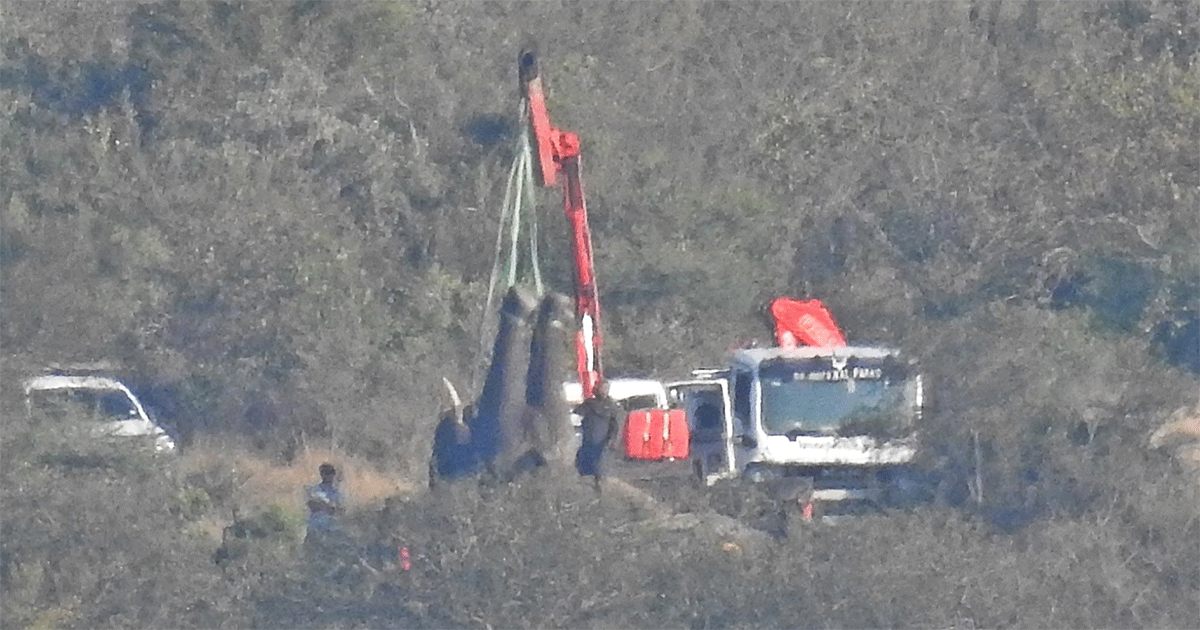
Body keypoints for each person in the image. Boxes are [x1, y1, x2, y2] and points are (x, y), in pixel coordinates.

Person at [573, 379, 621, 493]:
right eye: (601, 388)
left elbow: (616, 426)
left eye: (605, 388)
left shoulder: (612, 406)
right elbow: (576, 416)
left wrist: (613, 440)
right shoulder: (589, 404)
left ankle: (599, 486)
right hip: (587, 440)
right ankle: (583, 485)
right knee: (583, 464)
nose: (603, 391)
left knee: (599, 466)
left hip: (602, 441)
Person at [304, 463, 346, 554]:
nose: (329, 475)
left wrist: (324, 506)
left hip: (329, 531)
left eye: (331, 473)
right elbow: (312, 505)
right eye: (326, 472)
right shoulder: (315, 490)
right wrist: (328, 507)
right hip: (314, 528)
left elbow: (340, 511)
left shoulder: (337, 493)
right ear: (321, 474)